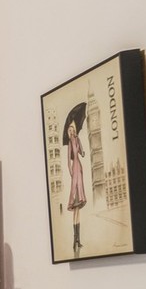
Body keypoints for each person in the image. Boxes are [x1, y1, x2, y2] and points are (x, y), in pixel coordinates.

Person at [63, 102, 88, 256]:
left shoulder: (77, 140)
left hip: (80, 168)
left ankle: (78, 239)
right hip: (75, 170)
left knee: (78, 210)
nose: (72, 131)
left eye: (73, 129)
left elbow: (82, 153)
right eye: (70, 129)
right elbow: (68, 160)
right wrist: (71, 172)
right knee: (75, 207)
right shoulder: (69, 143)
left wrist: (80, 144)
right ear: (68, 131)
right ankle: (75, 239)